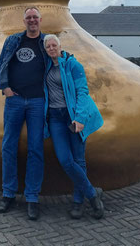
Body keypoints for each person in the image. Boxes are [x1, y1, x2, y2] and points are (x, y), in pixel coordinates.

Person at [43, 34, 105, 219]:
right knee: (65, 160)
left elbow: (82, 91)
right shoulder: (46, 66)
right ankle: (93, 194)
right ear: (45, 50)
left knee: (79, 160)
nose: (52, 48)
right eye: (48, 46)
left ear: (60, 46)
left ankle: (78, 202)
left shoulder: (72, 65)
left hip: (72, 118)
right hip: (55, 117)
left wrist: (79, 118)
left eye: (55, 45)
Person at [0, 6, 49, 220]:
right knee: (9, 146)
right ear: (24, 21)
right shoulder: (13, 41)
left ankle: (32, 197)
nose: (32, 20)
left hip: (38, 101)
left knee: (36, 148)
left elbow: (58, 62)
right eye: (28, 17)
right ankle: (8, 193)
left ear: (40, 19)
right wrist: (5, 87)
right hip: (15, 100)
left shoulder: (46, 42)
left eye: (35, 17)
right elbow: (2, 63)